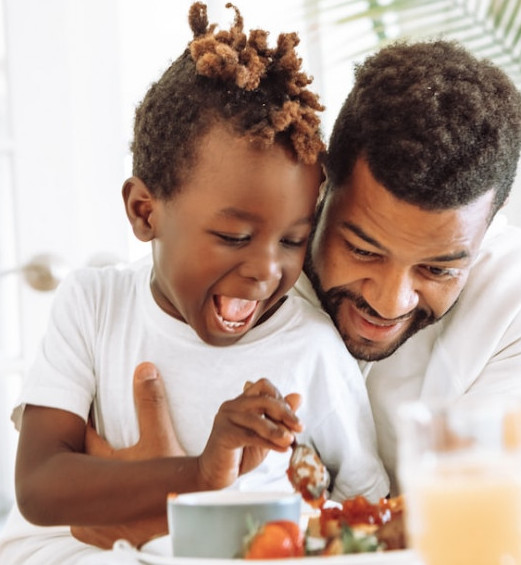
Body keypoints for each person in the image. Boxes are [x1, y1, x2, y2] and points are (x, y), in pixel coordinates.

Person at [0, 3, 388, 564]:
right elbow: (37, 487)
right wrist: (202, 472)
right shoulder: (95, 306)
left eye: (291, 240)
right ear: (144, 212)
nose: (265, 270)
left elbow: (364, 511)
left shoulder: (311, 349)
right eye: (233, 236)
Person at [297, 39, 521, 494]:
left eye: (437, 270)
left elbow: (470, 520)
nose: (388, 301)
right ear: (320, 186)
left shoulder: (511, 306)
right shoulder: (241, 267)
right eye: (363, 251)